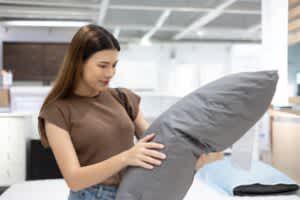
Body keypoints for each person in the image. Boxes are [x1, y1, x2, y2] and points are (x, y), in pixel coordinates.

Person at [38, 24, 207, 200]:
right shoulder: (57, 111)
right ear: (79, 63)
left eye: (114, 65)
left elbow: (155, 142)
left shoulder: (122, 98)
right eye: (102, 65)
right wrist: (126, 157)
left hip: (131, 192)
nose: (110, 73)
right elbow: (74, 179)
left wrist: (189, 157)